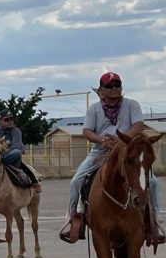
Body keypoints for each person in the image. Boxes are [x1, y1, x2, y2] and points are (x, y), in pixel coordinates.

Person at [60, 72, 163, 244]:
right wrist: (101, 139)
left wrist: (123, 140)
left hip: (127, 151)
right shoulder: (94, 109)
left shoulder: (131, 105)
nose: (114, 89)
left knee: (152, 182)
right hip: (99, 151)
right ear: (101, 90)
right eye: (109, 86)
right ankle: (74, 219)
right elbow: (86, 131)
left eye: (117, 85)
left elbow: (138, 125)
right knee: (76, 181)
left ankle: (154, 221)